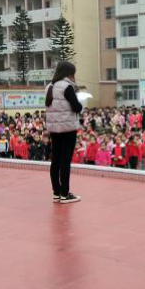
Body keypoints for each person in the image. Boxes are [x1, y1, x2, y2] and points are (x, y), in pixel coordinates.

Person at [45, 61, 83, 203]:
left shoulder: (49, 86)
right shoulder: (67, 87)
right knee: (65, 161)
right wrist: (80, 101)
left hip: (54, 130)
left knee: (55, 160)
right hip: (68, 129)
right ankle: (65, 194)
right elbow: (77, 107)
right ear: (69, 73)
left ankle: (56, 192)